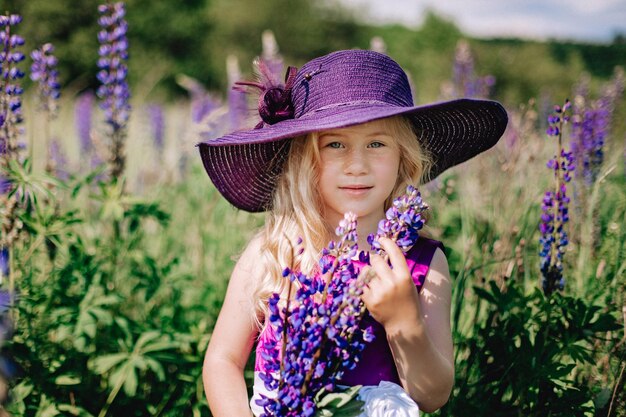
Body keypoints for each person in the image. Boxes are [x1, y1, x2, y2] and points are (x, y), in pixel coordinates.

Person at [198, 49, 508, 416]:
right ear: (303, 159)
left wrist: (402, 321)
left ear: (403, 158)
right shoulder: (274, 250)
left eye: (376, 144)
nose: (357, 165)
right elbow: (222, 359)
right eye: (335, 145)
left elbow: (432, 395)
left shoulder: (423, 262)